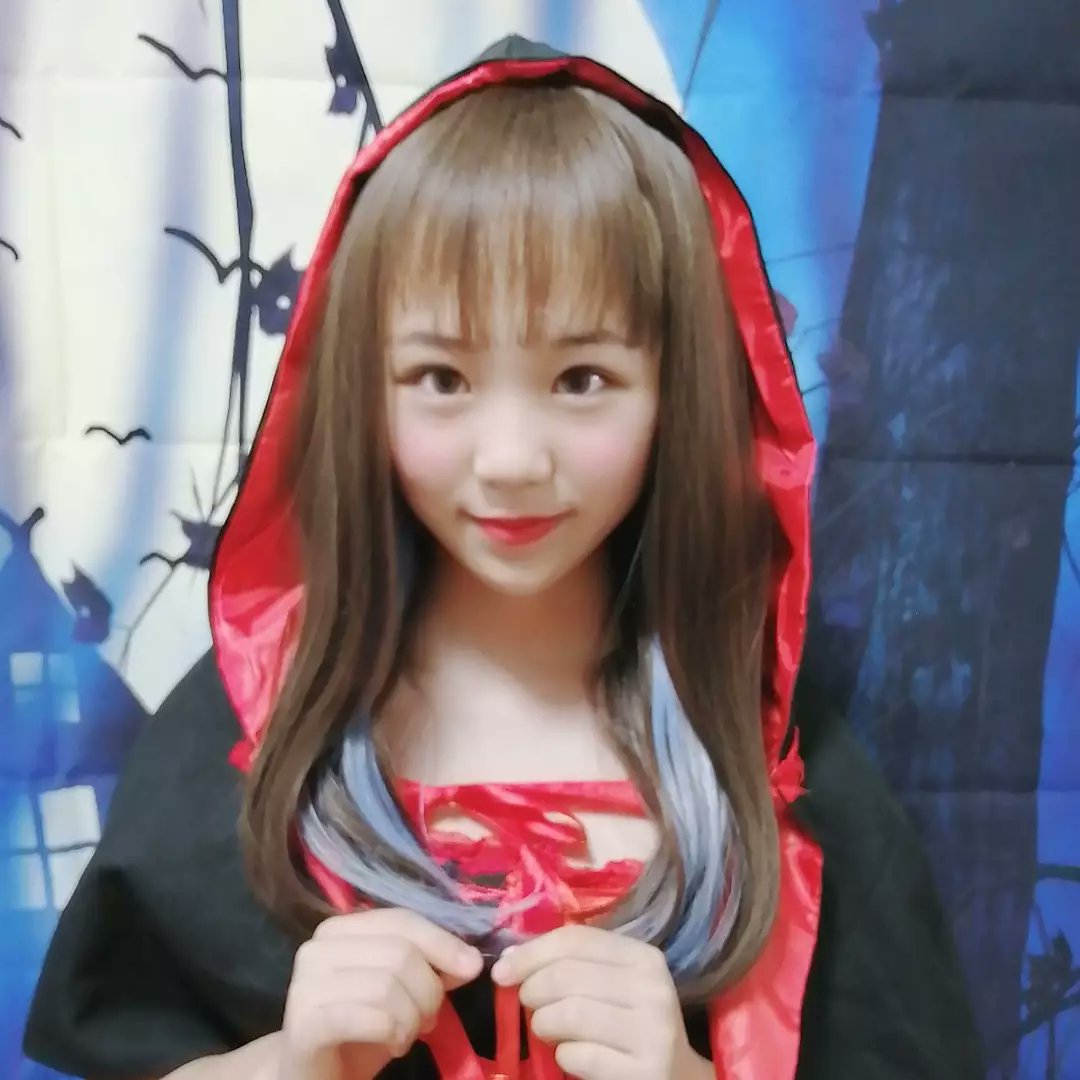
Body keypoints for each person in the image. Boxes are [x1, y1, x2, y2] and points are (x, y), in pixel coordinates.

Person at [23, 34, 984, 1080]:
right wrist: (291, 1065)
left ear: (681, 391)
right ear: (362, 388)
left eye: (582, 379)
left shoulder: (775, 761)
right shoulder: (260, 726)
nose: (513, 460)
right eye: (441, 378)